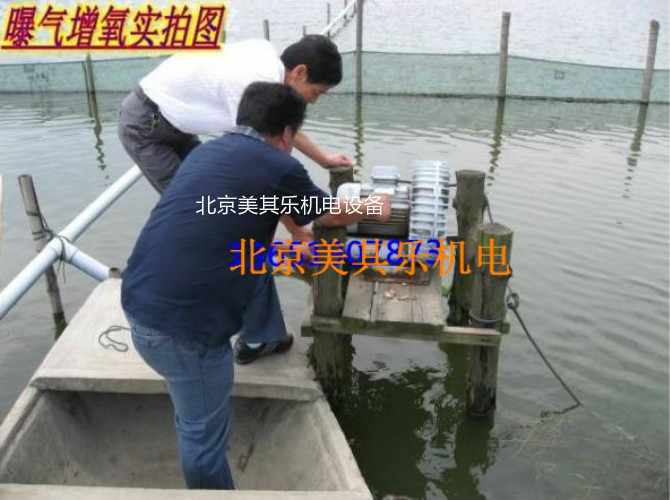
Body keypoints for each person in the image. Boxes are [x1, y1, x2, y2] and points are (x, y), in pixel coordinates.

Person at [122, 82, 390, 489]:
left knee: (250, 259)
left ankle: (262, 337)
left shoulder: (207, 153)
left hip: (138, 303)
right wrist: (374, 206)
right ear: (287, 133)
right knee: (202, 437)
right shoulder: (280, 166)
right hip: (183, 334)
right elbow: (329, 214)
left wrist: (297, 234)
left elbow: (264, 203)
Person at [118, 34, 349, 362]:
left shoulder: (268, 65)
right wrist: (298, 231)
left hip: (177, 124)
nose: (314, 101)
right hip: (148, 127)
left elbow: (280, 140)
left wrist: (323, 159)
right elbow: (264, 173)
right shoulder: (251, 85)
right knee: (217, 224)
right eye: (316, 92)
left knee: (237, 223)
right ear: (299, 72)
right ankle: (202, 322)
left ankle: (261, 334)